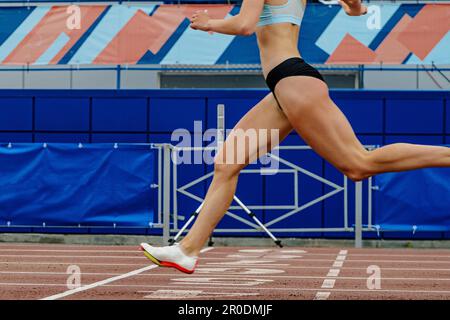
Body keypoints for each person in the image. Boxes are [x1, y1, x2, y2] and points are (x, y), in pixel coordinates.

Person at [140, 0, 450, 274]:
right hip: (285, 84)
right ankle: (188, 250)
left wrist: (210, 24)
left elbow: (245, 25)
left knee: (358, 164)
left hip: (292, 81)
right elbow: (355, 4)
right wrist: (356, 9)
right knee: (227, 161)